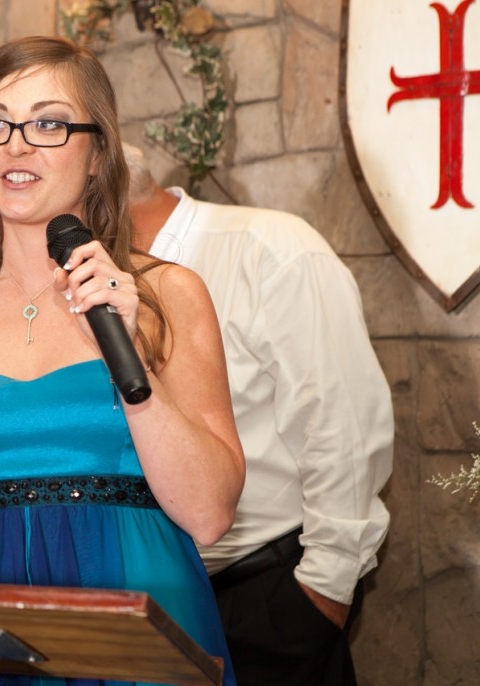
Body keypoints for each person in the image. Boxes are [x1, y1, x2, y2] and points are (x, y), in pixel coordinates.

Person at [0, 36, 244, 686]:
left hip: (139, 632)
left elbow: (209, 514)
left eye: (49, 124)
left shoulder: (167, 296)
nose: (16, 146)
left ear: (97, 154)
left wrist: (130, 360)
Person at [123, 142, 394, 686]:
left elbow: (342, 424)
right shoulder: (87, 286)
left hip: (266, 596)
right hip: (149, 605)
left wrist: (323, 593)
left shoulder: (267, 248)